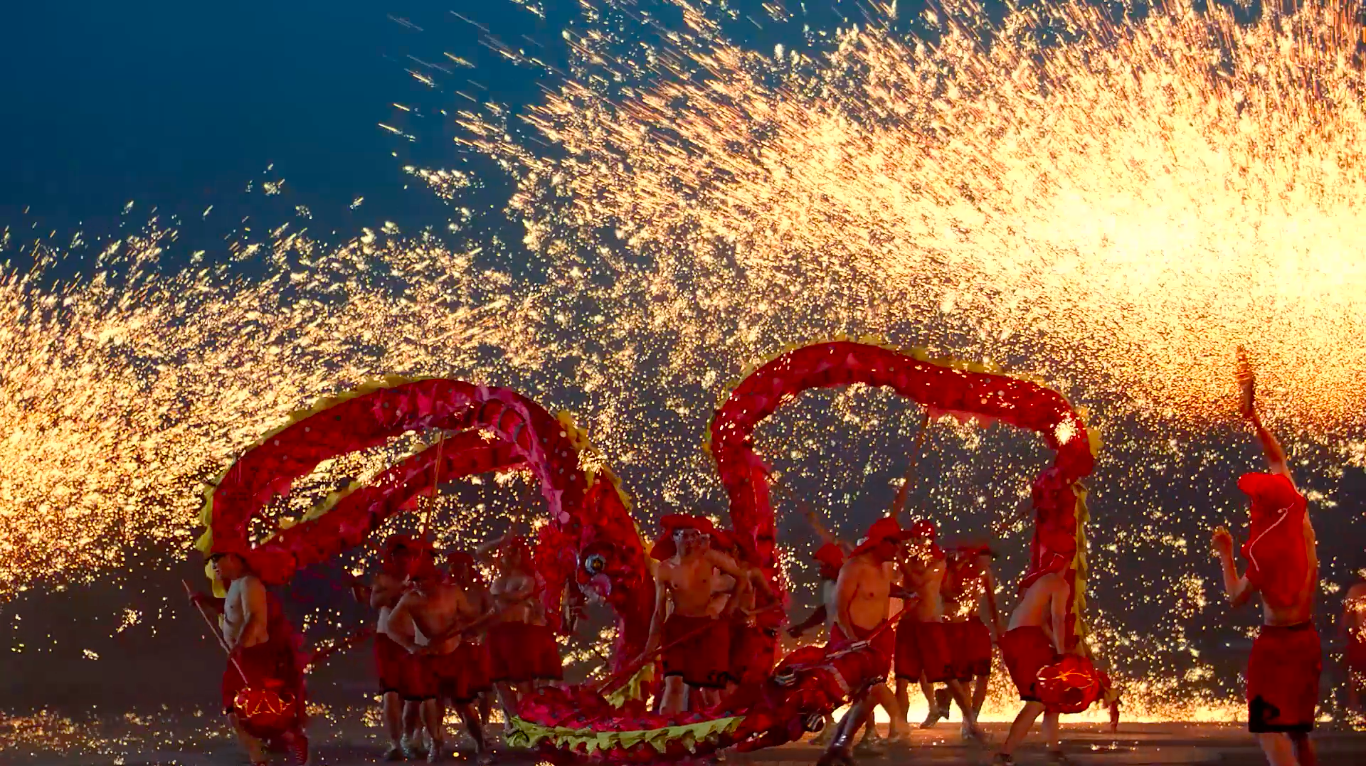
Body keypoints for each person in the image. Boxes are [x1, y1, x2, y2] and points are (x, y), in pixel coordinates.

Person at [1209, 357, 1320, 766]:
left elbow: (1237, 596)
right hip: (1307, 640)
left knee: (1266, 730)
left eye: (1254, 499)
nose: (1251, 503)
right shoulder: (1300, 518)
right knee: (1298, 733)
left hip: (1276, 647)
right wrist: (1253, 417)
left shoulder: (1261, 551)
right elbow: (1278, 458)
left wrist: (1225, 555)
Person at [193, 545, 310, 766]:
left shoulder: (250, 583)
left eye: (217, 559)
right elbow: (232, 612)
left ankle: (289, 741)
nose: (214, 566)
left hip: (253, 656)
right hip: (241, 657)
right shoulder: (237, 585)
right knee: (235, 711)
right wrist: (205, 600)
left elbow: (255, 617)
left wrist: (240, 646)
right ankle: (260, 757)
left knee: (256, 714)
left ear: (232, 557)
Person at [816, 517, 913, 766]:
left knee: (866, 699)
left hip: (879, 636)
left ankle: (840, 745)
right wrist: (853, 643)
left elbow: (881, 589)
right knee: (873, 688)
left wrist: (903, 592)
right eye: (894, 542)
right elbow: (840, 609)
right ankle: (899, 722)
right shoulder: (853, 568)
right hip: (854, 638)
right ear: (879, 542)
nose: (897, 548)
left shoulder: (883, 568)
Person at [386, 554, 491, 764]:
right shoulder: (410, 599)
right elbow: (391, 627)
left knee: (465, 707)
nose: (418, 585)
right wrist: (411, 645)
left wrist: (471, 623)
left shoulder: (453, 593)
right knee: (428, 701)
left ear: (434, 577)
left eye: (422, 579)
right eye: (414, 580)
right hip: (427, 659)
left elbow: (471, 617)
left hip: (454, 657)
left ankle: (481, 746)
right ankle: (435, 741)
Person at [647, 514, 753, 713]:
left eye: (694, 536)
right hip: (677, 628)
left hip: (707, 628)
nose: (690, 541)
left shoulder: (710, 558)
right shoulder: (664, 569)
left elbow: (741, 578)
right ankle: (666, 733)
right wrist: (649, 648)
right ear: (674, 538)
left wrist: (731, 606)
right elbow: (659, 612)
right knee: (674, 685)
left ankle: (718, 733)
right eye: (684, 536)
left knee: (711, 690)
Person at [895, 520, 986, 742]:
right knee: (901, 680)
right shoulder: (909, 558)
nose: (913, 542)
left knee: (949, 677)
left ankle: (971, 723)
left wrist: (899, 558)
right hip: (908, 625)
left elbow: (918, 582)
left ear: (926, 540)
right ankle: (898, 729)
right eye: (912, 538)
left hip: (930, 626)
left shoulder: (937, 561)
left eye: (917, 538)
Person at [348, 535, 429, 760]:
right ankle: (395, 744)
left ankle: (412, 738)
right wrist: (399, 589)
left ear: (413, 558)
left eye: (407, 555)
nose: (403, 559)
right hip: (387, 640)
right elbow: (374, 602)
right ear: (392, 557)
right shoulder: (383, 578)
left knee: (415, 697)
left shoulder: (422, 577)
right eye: (398, 555)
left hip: (414, 639)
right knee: (390, 695)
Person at [992, 570, 1070, 765]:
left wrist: (1061, 650)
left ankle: (1053, 749)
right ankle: (1004, 754)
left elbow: (1042, 621)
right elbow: (1057, 620)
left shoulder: (1039, 583)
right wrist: (1061, 655)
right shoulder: (1058, 582)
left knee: (1052, 694)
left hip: (1018, 639)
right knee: (1038, 700)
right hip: (1026, 640)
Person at [486, 536, 564, 719]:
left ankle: (530, 719)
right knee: (499, 682)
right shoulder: (499, 576)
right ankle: (514, 720)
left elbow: (519, 596)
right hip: (496, 632)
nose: (512, 555)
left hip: (516, 633)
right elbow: (480, 552)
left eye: (516, 552)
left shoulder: (527, 579)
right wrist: (500, 540)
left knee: (522, 682)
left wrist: (496, 597)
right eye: (509, 552)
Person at [944, 544, 1002, 724]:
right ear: (976, 556)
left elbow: (992, 603)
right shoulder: (957, 572)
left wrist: (998, 628)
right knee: (963, 677)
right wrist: (957, 566)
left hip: (976, 626)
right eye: (985, 556)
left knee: (984, 674)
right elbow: (945, 592)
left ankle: (973, 717)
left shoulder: (985, 574)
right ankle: (967, 720)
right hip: (958, 626)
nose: (989, 561)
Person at [1344, 579, 1366, 720]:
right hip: (1360, 639)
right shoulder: (1355, 591)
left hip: (1360, 638)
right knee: (1355, 674)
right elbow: (1346, 620)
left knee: (1355, 675)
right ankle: (1354, 709)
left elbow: (1345, 620)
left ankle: (1355, 710)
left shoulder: (1355, 591)